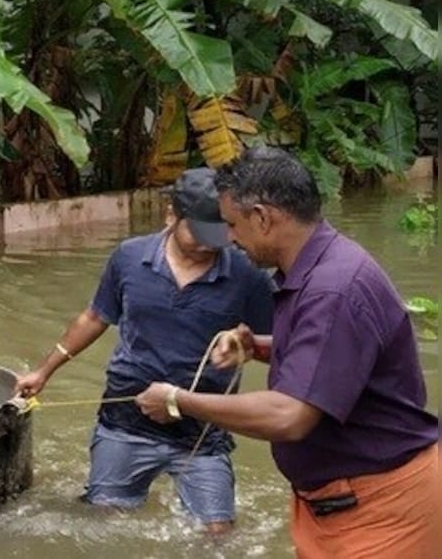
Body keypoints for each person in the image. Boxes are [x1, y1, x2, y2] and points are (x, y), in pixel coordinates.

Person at [135, 147, 440, 556]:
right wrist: (258, 348)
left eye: (232, 224)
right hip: (333, 506)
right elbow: (340, 353)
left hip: (381, 510)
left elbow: (290, 415)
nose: (228, 239)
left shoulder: (333, 287)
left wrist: (178, 399)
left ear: (262, 217)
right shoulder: (319, 269)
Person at [15, 168, 275, 534]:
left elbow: (278, 343)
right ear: (171, 215)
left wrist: (245, 346)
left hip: (201, 433)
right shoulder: (129, 257)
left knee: (219, 535)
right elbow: (94, 317)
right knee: (104, 526)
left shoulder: (248, 273)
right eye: (199, 232)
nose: (210, 244)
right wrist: (43, 372)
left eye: (221, 232)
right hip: (127, 421)